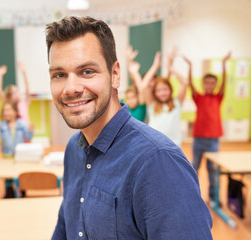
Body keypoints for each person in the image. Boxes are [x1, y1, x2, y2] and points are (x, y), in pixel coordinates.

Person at [46, 16, 212, 239]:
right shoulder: (73, 150)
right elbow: (66, 228)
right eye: (59, 75)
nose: (70, 88)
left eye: (87, 71)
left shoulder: (158, 162)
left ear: (115, 75)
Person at [183, 52, 231, 202]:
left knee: (213, 170)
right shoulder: (199, 98)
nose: (209, 85)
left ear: (215, 85)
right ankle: (192, 194)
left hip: (213, 141)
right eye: (207, 83)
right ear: (203, 84)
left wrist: (224, 64)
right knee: (194, 167)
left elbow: (224, 83)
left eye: (212, 83)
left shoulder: (218, 97)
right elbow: (191, 83)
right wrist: (190, 67)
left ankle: (212, 196)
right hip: (198, 139)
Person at [140, 49, 188, 146]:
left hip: (174, 145)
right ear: (154, 93)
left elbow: (185, 83)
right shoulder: (152, 104)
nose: (162, 93)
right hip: (154, 144)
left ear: (170, 90)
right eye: (159, 90)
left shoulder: (177, 102)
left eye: (165, 89)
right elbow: (144, 85)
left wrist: (170, 68)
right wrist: (155, 67)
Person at [0, 101, 34, 198]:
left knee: (20, 177)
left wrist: (31, 130)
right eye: (4, 111)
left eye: (8, 110)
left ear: (15, 112)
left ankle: (22, 194)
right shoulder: (1, 125)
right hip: (6, 157)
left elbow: (28, 137)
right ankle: (9, 195)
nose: (6, 113)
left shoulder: (22, 124)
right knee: (8, 179)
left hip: (19, 157)